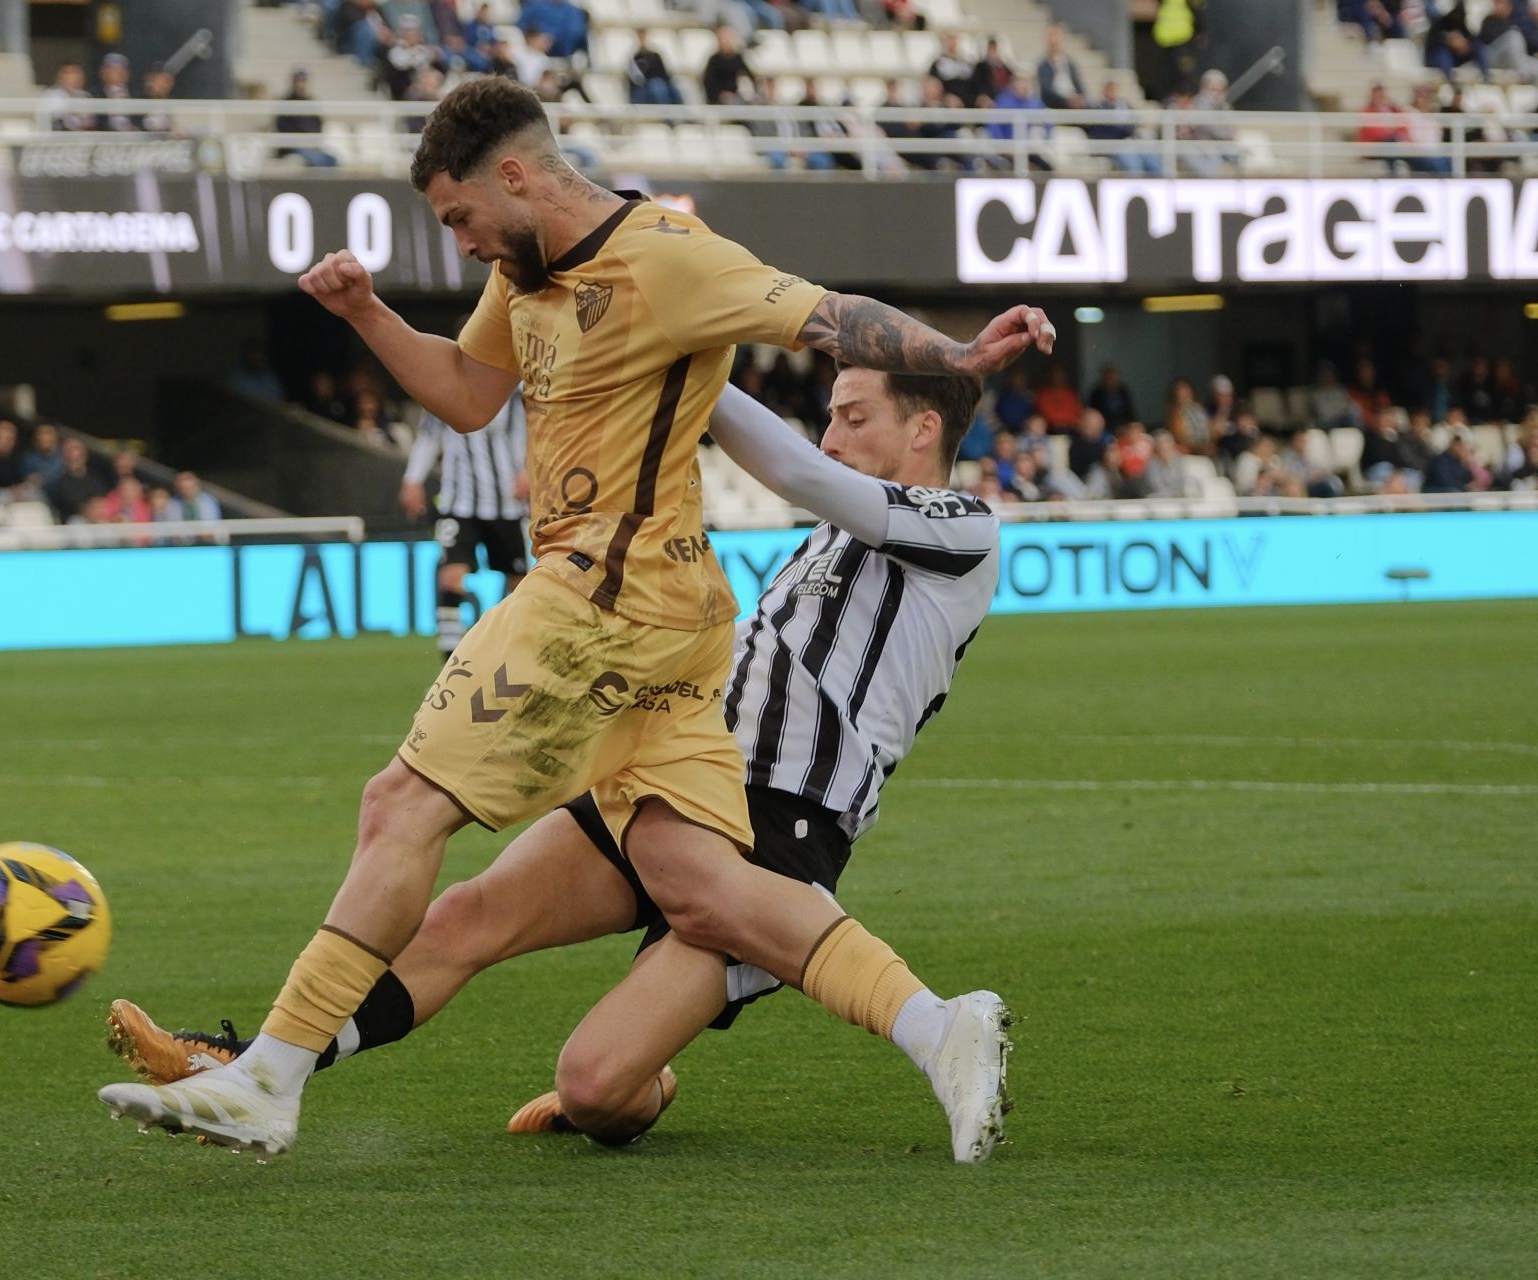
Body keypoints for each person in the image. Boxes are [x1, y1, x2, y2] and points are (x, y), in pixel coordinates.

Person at [95, 76, 1053, 1160]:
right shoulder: (527, 271)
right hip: (687, 659)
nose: (457, 245)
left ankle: (268, 1072)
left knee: (401, 799)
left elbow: (829, 326)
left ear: (513, 175)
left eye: (458, 217)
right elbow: (468, 395)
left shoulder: (938, 512)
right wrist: (366, 313)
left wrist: (957, 352)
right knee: (580, 1059)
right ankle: (940, 1027)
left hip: (636, 632)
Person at [110, 369, 1009, 1155]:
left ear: (923, 428)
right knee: (465, 915)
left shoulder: (962, 528)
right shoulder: (833, 538)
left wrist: (686, 348)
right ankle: (265, 1059)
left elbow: (801, 471)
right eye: (830, 415)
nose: (830, 433)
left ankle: (918, 1029)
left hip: (784, 820)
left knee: (592, 1089)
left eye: (854, 416)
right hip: (678, 773)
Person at [400, 389, 529, 661]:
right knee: (450, 576)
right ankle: (449, 663)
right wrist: (413, 480)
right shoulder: (446, 389)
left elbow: (531, 432)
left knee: (519, 584)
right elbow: (428, 436)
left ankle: (517, 655)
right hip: (458, 504)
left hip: (506, 504)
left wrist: (529, 471)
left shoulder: (513, 391)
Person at [626, 29, 681, 106]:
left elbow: (666, 75)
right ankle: (665, 114)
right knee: (656, 86)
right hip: (645, 91)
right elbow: (636, 81)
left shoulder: (656, 55)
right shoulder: (635, 58)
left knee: (674, 90)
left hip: (660, 87)